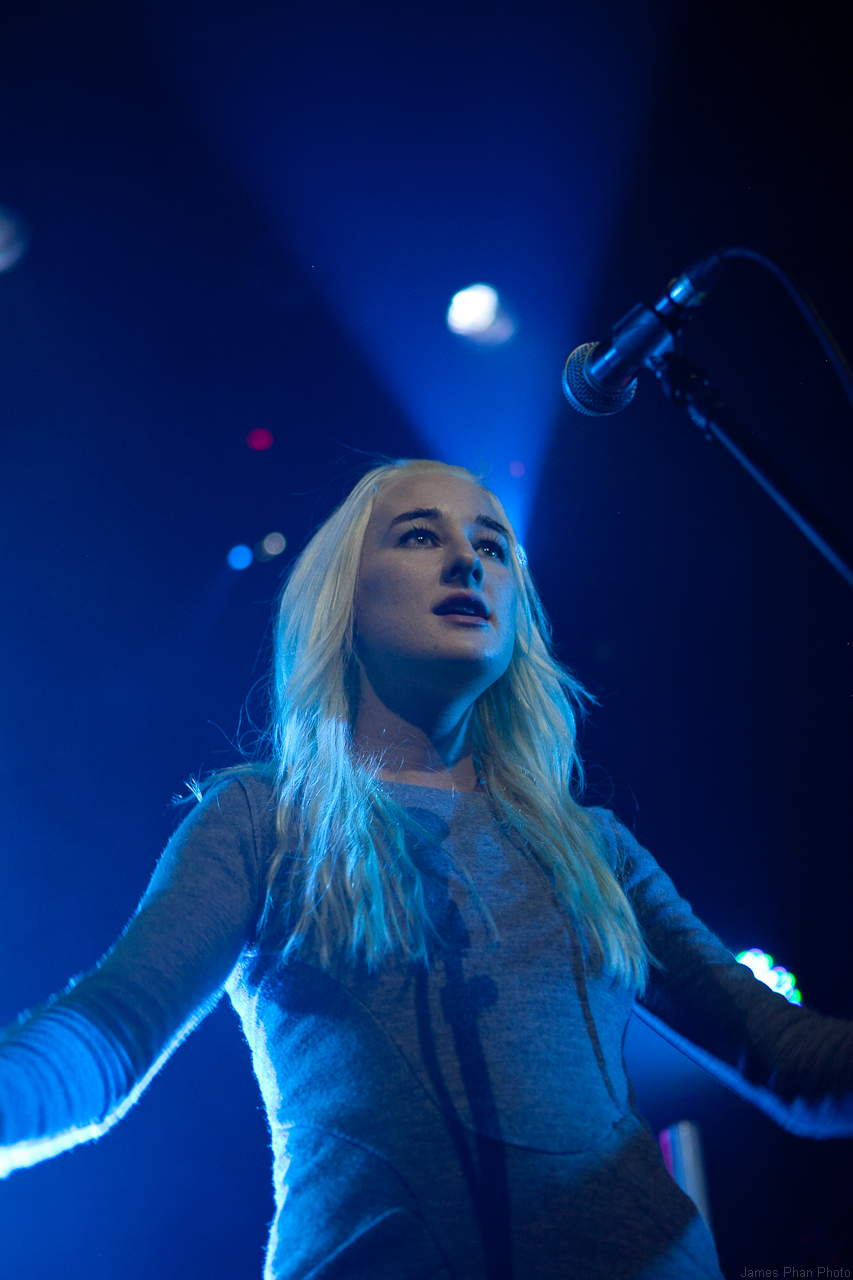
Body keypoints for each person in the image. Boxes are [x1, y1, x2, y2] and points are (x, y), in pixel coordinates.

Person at [1, 458, 851, 1279]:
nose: (465, 562)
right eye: (418, 536)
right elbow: (108, 1034)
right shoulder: (261, 821)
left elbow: (784, 1054)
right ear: (342, 598)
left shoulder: (592, 849)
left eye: (491, 546)